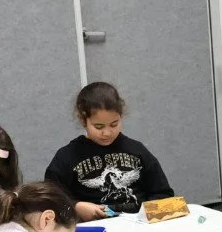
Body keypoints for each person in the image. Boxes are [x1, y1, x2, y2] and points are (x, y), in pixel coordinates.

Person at [46, 81, 173, 220]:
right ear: (83, 120)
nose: (107, 133)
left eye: (114, 124)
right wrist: (75, 207)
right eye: (99, 127)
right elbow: (50, 200)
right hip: (94, 229)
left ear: (121, 116)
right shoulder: (67, 157)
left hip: (138, 226)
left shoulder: (137, 150)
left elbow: (163, 193)